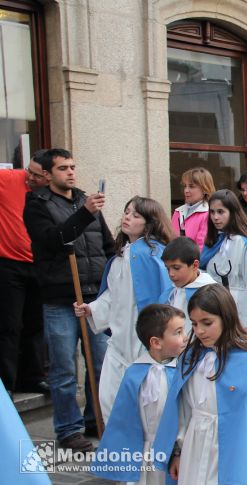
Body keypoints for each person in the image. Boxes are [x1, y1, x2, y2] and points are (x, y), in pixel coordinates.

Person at [152, 284, 247, 485]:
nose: (199, 331)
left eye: (207, 323)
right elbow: (181, 410)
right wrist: (176, 452)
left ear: (226, 319)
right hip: (195, 444)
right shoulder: (189, 359)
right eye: (193, 324)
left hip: (233, 448)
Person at [23, 148, 112, 451]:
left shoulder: (84, 200)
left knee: (99, 364)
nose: (71, 172)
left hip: (93, 297)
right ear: (47, 175)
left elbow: (107, 245)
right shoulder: (37, 204)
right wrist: (85, 212)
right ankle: (68, 429)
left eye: (73, 166)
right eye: (63, 168)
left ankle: (94, 419)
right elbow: (56, 240)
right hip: (61, 296)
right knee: (63, 370)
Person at [73, 197, 174, 422]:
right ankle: (119, 452)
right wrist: (92, 309)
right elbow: (113, 294)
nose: (127, 217)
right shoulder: (120, 256)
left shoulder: (156, 255)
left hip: (144, 344)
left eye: (136, 215)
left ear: (149, 223)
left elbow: (167, 297)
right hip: (118, 343)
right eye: (126, 212)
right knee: (109, 400)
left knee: (146, 408)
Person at [90, 304, 187, 485]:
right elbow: (123, 420)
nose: (185, 338)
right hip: (142, 453)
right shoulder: (134, 374)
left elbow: (183, 417)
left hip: (172, 452)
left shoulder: (182, 373)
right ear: (156, 342)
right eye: (178, 332)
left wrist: (178, 452)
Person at [0, 150, 48, 395]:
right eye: (29, 170)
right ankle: (6, 384)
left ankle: (32, 378)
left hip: (40, 265)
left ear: (48, 177)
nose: (29, 177)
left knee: (35, 325)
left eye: (36, 175)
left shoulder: (52, 195)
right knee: (9, 325)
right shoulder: (8, 179)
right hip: (9, 264)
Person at [200, 190, 247, 333]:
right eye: (212, 212)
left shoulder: (246, 243)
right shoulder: (213, 242)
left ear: (232, 212)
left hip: (239, 309)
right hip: (214, 308)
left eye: (220, 212)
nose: (215, 217)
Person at [158, 237, 216, 332]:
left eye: (176, 268)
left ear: (195, 265)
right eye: (167, 268)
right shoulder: (170, 293)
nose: (171, 274)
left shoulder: (210, 293)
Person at [171, 167, 215, 250]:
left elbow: (201, 248)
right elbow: (170, 241)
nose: (186, 190)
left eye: (191, 186)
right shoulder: (178, 212)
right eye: (185, 186)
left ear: (205, 189)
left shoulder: (209, 213)